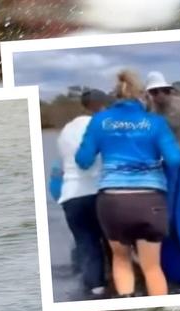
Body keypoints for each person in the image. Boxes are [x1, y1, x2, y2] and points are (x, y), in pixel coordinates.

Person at [76, 69, 180, 297]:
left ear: (115, 95)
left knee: (121, 260)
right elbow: (175, 160)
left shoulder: (99, 121)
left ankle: (128, 304)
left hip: (112, 202)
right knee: (152, 268)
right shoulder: (155, 122)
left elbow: (83, 160)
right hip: (150, 201)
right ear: (141, 96)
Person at [57, 88, 109, 297]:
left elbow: (64, 164)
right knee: (111, 243)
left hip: (70, 195)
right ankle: (115, 289)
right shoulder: (100, 126)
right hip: (97, 192)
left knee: (86, 245)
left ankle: (94, 289)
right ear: (101, 105)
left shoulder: (66, 130)